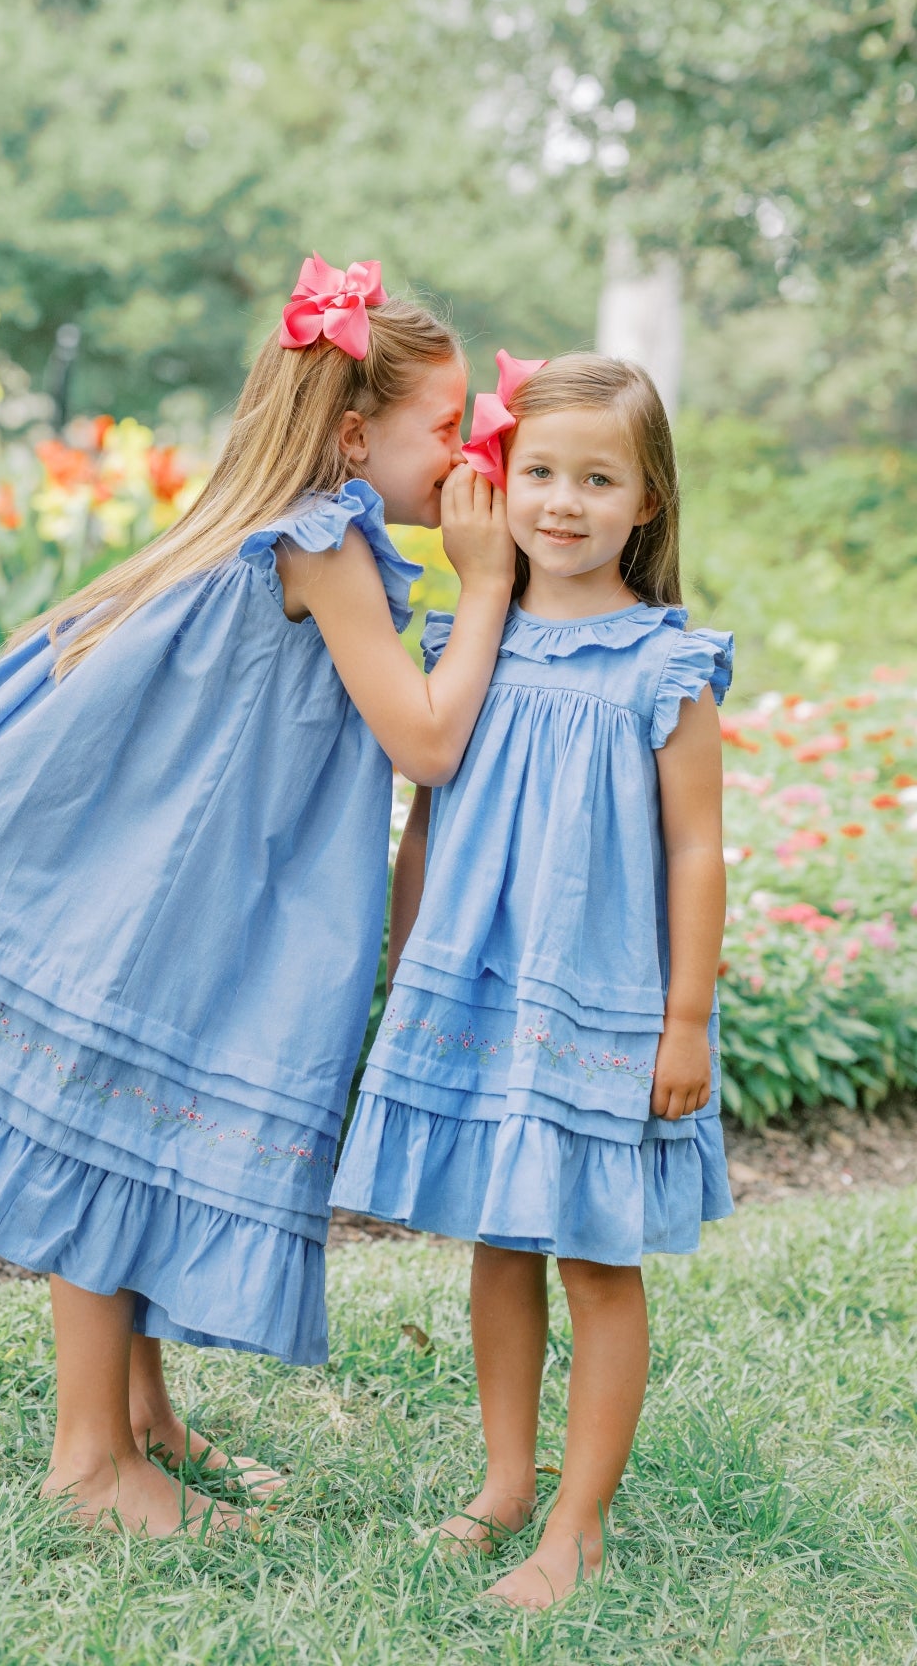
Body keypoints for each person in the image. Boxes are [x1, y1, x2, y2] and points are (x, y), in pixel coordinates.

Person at [0, 254, 515, 1539]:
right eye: (444, 431)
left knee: (147, 1133)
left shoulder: (280, 527)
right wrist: (489, 578)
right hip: (165, 902)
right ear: (352, 438)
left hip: (181, 883)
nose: (465, 459)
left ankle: (147, 1422)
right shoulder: (328, 541)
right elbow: (428, 746)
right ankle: (87, 1464)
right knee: (117, 1135)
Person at [332, 350, 733, 1606]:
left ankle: (579, 1522)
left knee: (593, 1257)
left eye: (597, 479)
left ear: (646, 502)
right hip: (480, 990)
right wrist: (410, 976)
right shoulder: (472, 639)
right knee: (498, 1244)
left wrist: (684, 1023)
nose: (563, 501)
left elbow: (694, 847)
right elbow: (426, 822)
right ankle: (505, 1481)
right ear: (498, 482)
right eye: (540, 471)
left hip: (603, 1001)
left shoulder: (662, 666)